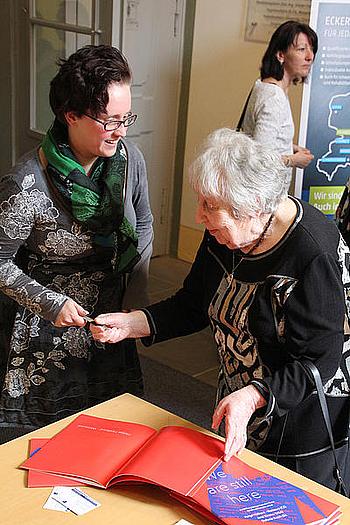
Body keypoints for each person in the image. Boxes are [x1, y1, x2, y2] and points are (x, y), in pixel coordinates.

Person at [90, 129, 350, 492]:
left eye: (209, 205)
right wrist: (134, 323)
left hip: (298, 421)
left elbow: (319, 360)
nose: (199, 216)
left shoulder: (311, 251)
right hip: (241, 401)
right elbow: (195, 302)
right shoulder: (227, 232)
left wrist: (254, 394)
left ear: (255, 205)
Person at [0, 45, 153, 433]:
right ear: (71, 116)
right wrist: (51, 303)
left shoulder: (130, 159)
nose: (122, 130)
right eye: (110, 120)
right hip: (47, 334)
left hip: (110, 323)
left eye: (126, 117)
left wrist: (135, 302)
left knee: (112, 439)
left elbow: (146, 222)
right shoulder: (26, 184)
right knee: (45, 448)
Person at [241, 20, 317, 170]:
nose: (310, 56)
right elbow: (259, 160)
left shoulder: (264, 85)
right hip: (265, 191)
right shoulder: (274, 98)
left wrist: (289, 147)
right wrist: (293, 160)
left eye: (312, 49)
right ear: (281, 55)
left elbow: (262, 141)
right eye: (301, 49)